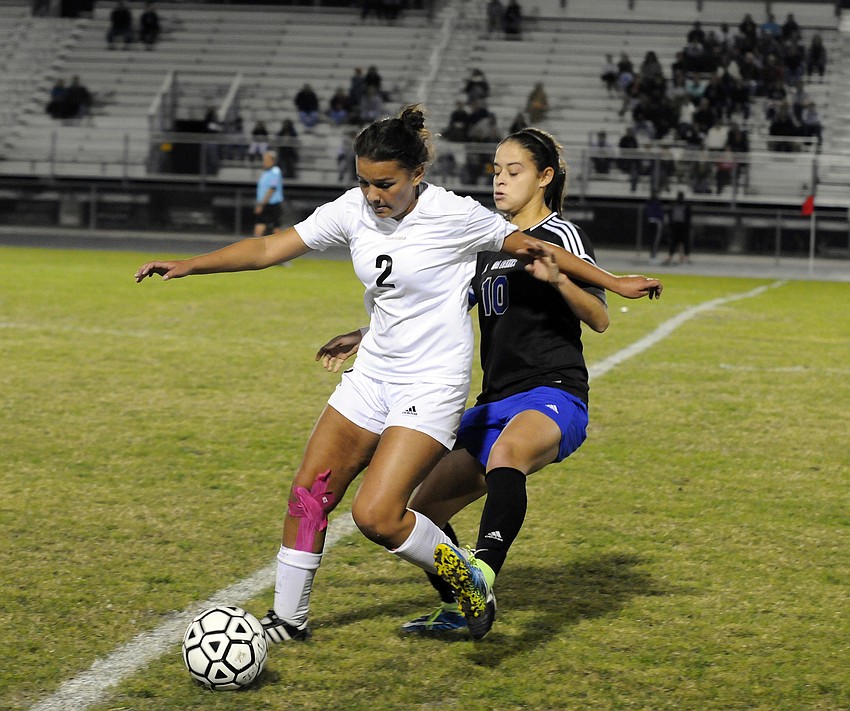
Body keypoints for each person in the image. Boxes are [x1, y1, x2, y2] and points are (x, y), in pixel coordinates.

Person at [134, 105, 661, 647]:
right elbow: (271, 247)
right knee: (309, 494)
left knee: (379, 515)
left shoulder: (455, 215)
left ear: (416, 176)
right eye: (363, 182)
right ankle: (287, 620)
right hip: (373, 374)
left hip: (430, 384)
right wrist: (190, 264)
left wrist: (613, 283)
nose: (372, 195)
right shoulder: (352, 210)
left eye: (384, 183)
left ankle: (470, 581)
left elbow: (534, 245)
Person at [316, 127, 614, 639]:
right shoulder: (485, 242)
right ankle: (464, 605)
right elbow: (436, 308)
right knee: (420, 507)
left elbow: (600, 318)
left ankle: (483, 574)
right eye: (496, 171)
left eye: (513, 172)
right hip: (494, 399)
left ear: (544, 177)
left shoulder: (559, 236)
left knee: (507, 456)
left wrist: (560, 280)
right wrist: (365, 334)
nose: (500, 182)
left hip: (553, 392)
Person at [253, 150, 284, 237]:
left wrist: (261, 204)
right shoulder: (266, 173)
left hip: (272, 204)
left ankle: (279, 246)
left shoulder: (275, 171)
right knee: (264, 223)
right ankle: (257, 244)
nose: (264, 162)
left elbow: (272, 188)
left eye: (266, 159)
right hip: (266, 203)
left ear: (272, 161)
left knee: (274, 225)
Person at [664, 191, 691, 264]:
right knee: (674, 242)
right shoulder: (675, 205)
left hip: (682, 226)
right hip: (676, 226)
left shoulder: (685, 206)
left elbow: (688, 217)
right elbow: (671, 216)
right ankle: (671, 257)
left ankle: (684, 258)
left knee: (683, 242)